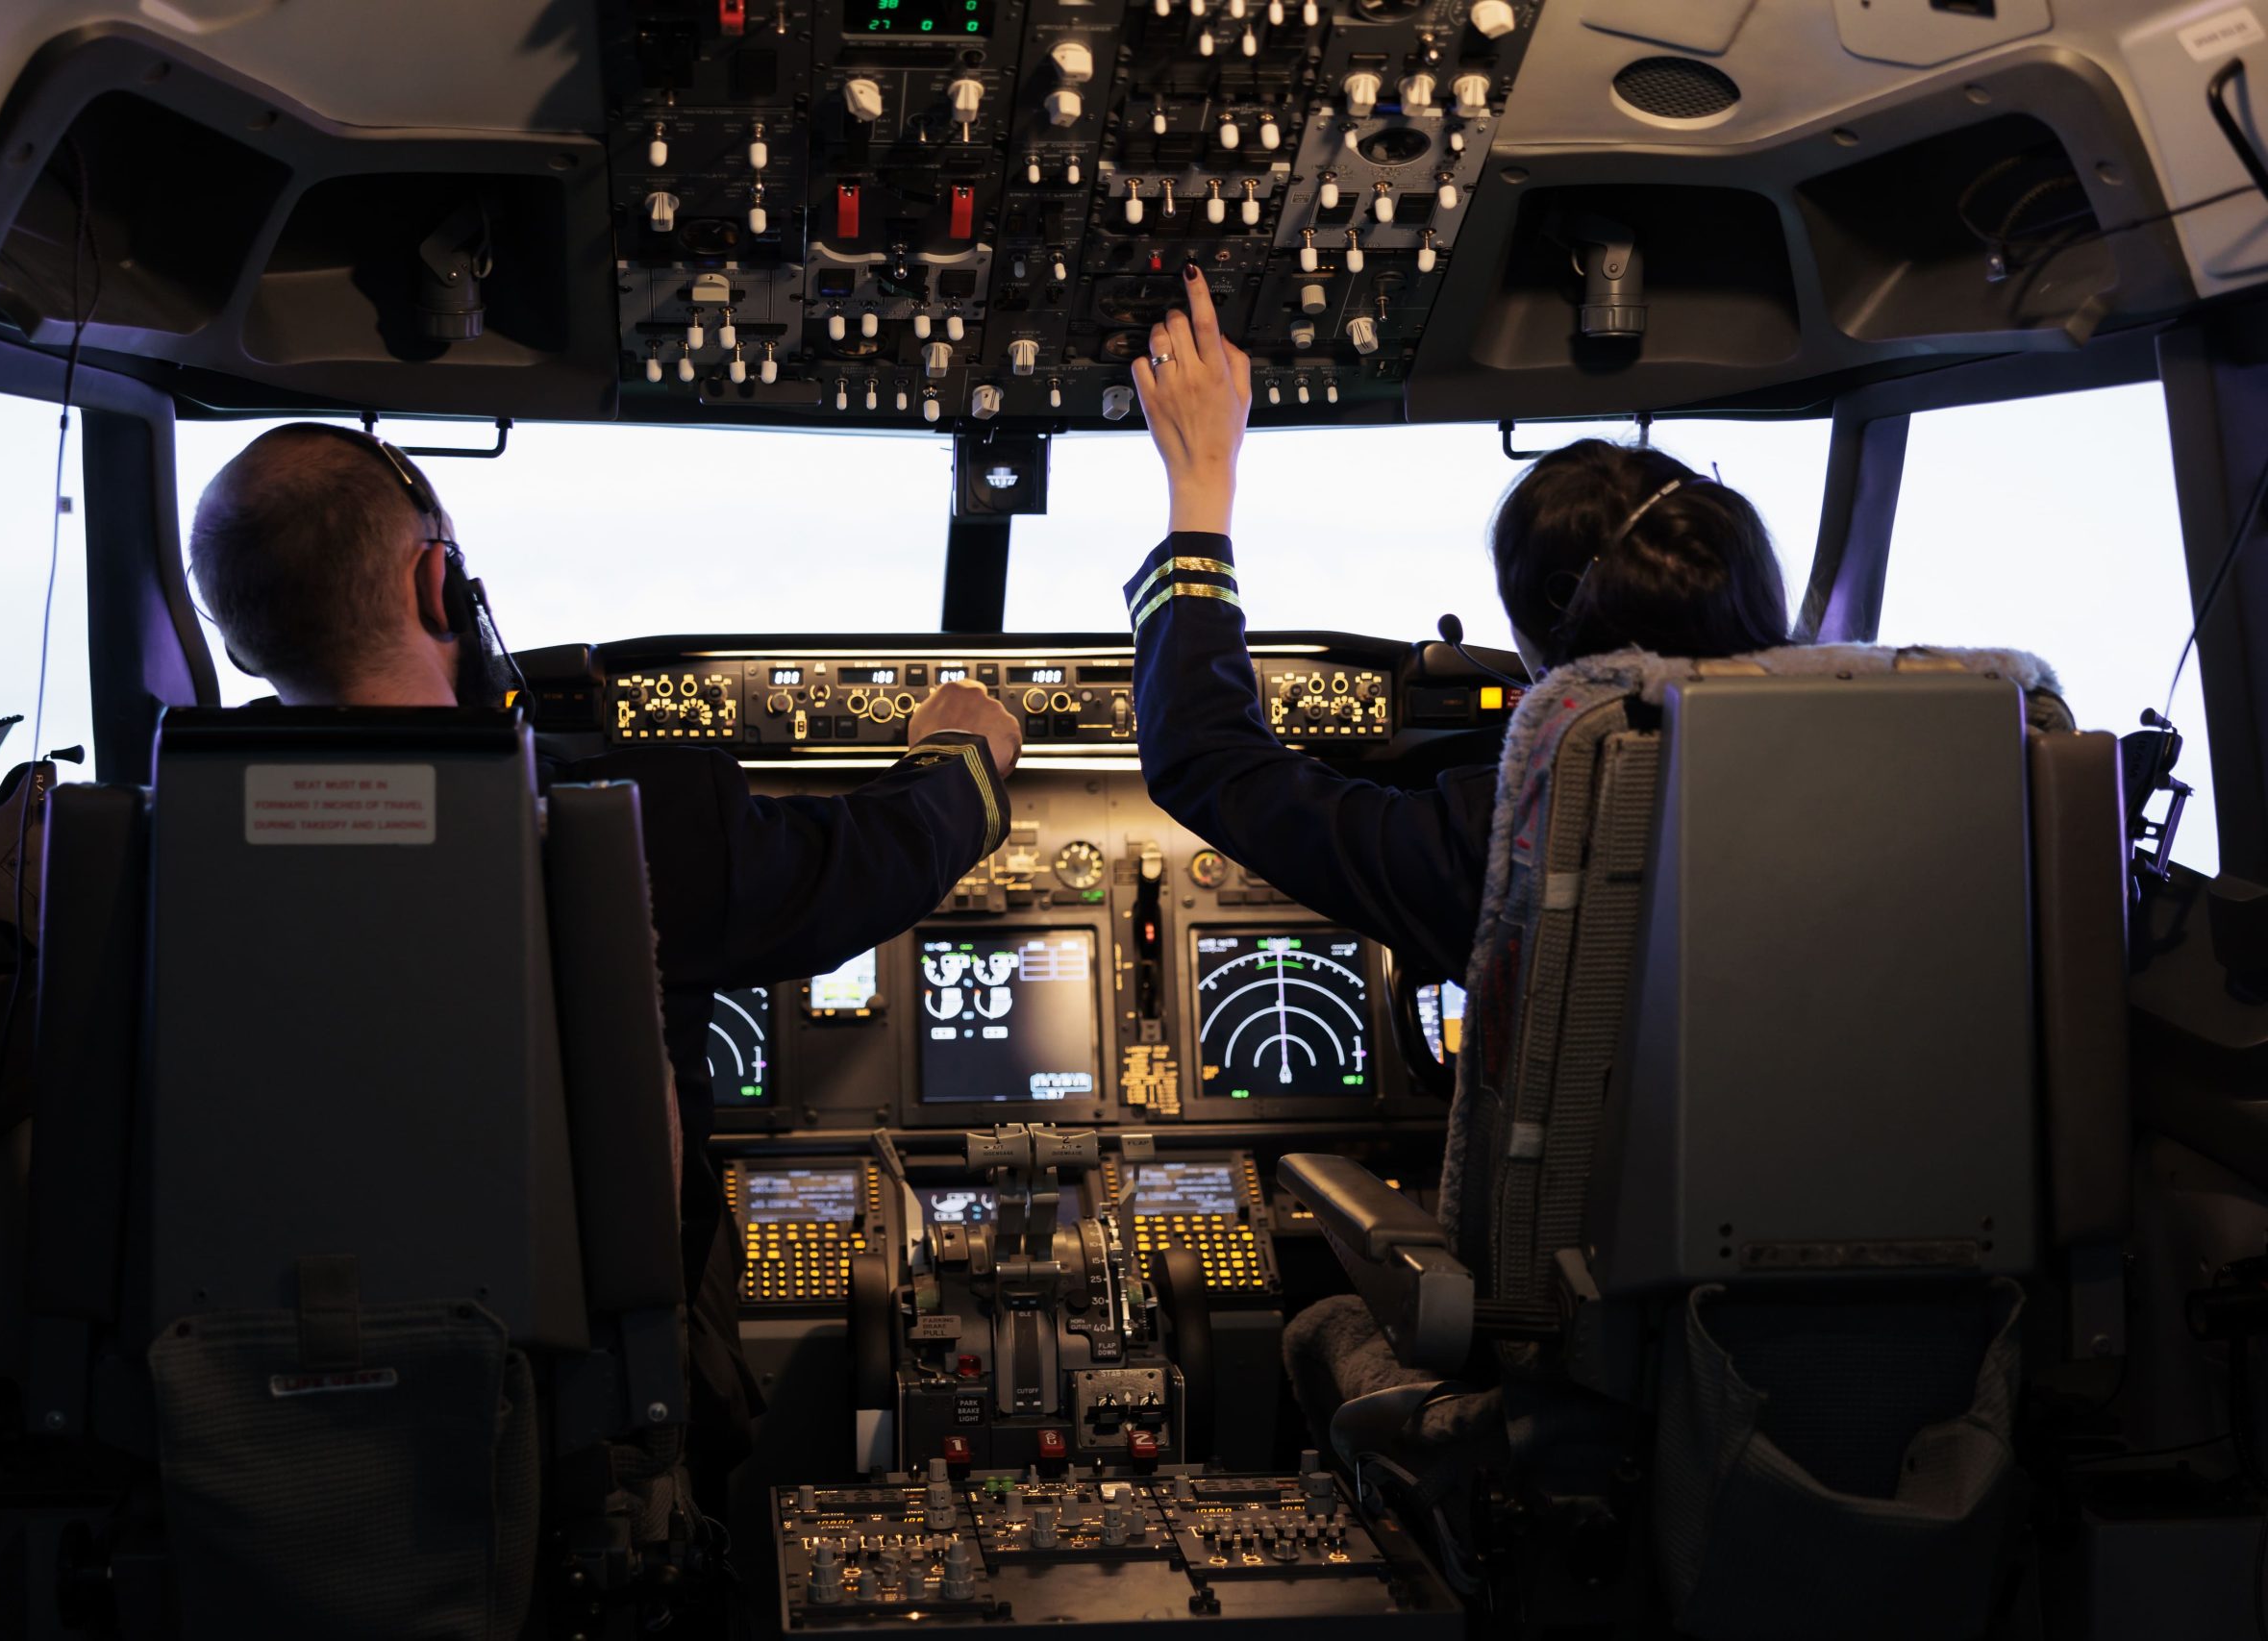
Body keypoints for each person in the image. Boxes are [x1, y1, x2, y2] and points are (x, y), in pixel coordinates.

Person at [187, 420, 1022, 1496]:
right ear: (439, 585)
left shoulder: (180, 842)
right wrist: (962, 763)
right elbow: (848, 874)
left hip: (266, 1413)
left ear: (245, 643)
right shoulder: (613, 821)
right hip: (591, 1413)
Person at [1122, 265, 1791, 985]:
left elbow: (1207, 756)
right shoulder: (1873, 772)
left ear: (1547, 639)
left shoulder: (1522, 833)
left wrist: (1202, 478)